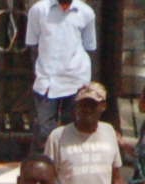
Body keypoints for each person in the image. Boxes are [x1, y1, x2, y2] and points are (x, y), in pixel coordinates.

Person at [23, 0, 93, 142]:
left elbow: (89, 46)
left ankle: (67, 163)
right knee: (45, 132)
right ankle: (46, 162)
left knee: (72, 130)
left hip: (76, 80)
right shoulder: (38, 10)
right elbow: (32, 45)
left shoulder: (86, 12)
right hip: (47, 80)